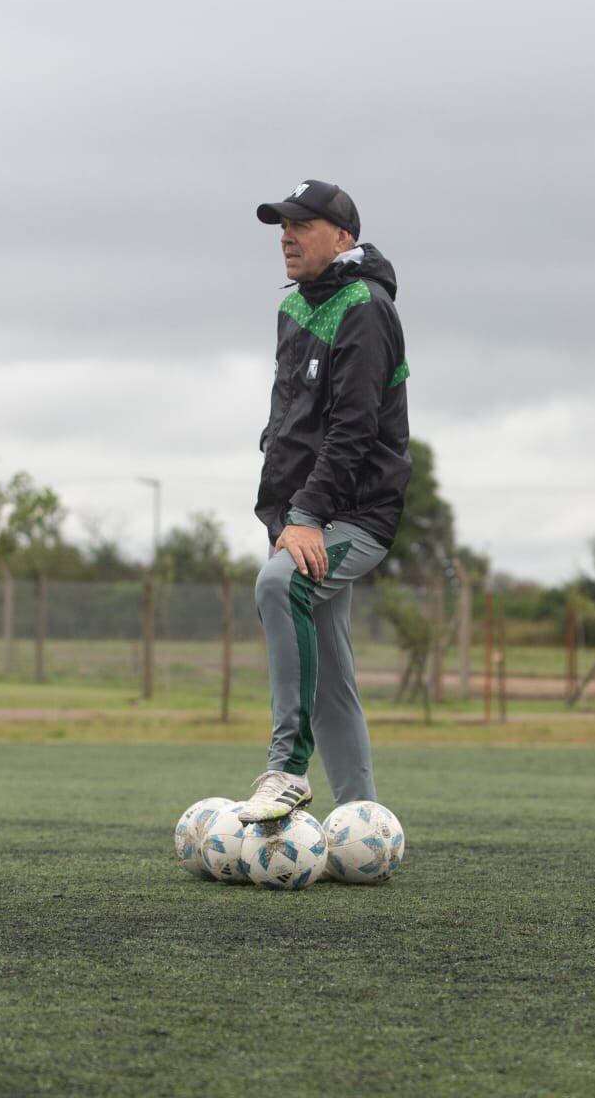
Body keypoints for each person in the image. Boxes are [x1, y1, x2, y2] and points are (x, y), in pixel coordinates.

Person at [237, 179, 412, 823]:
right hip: (300, 519)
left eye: (301, 225)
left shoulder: (365, 305)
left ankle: (286, 768)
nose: (286, 237)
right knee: (332, 678)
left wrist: (308, 516)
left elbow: (354, 428)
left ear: (342, 238)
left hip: (354, 515)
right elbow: (288, 421)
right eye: (282, 226)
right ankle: (363, 822)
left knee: (279, 585)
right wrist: (284, 516)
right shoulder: (295, 308)